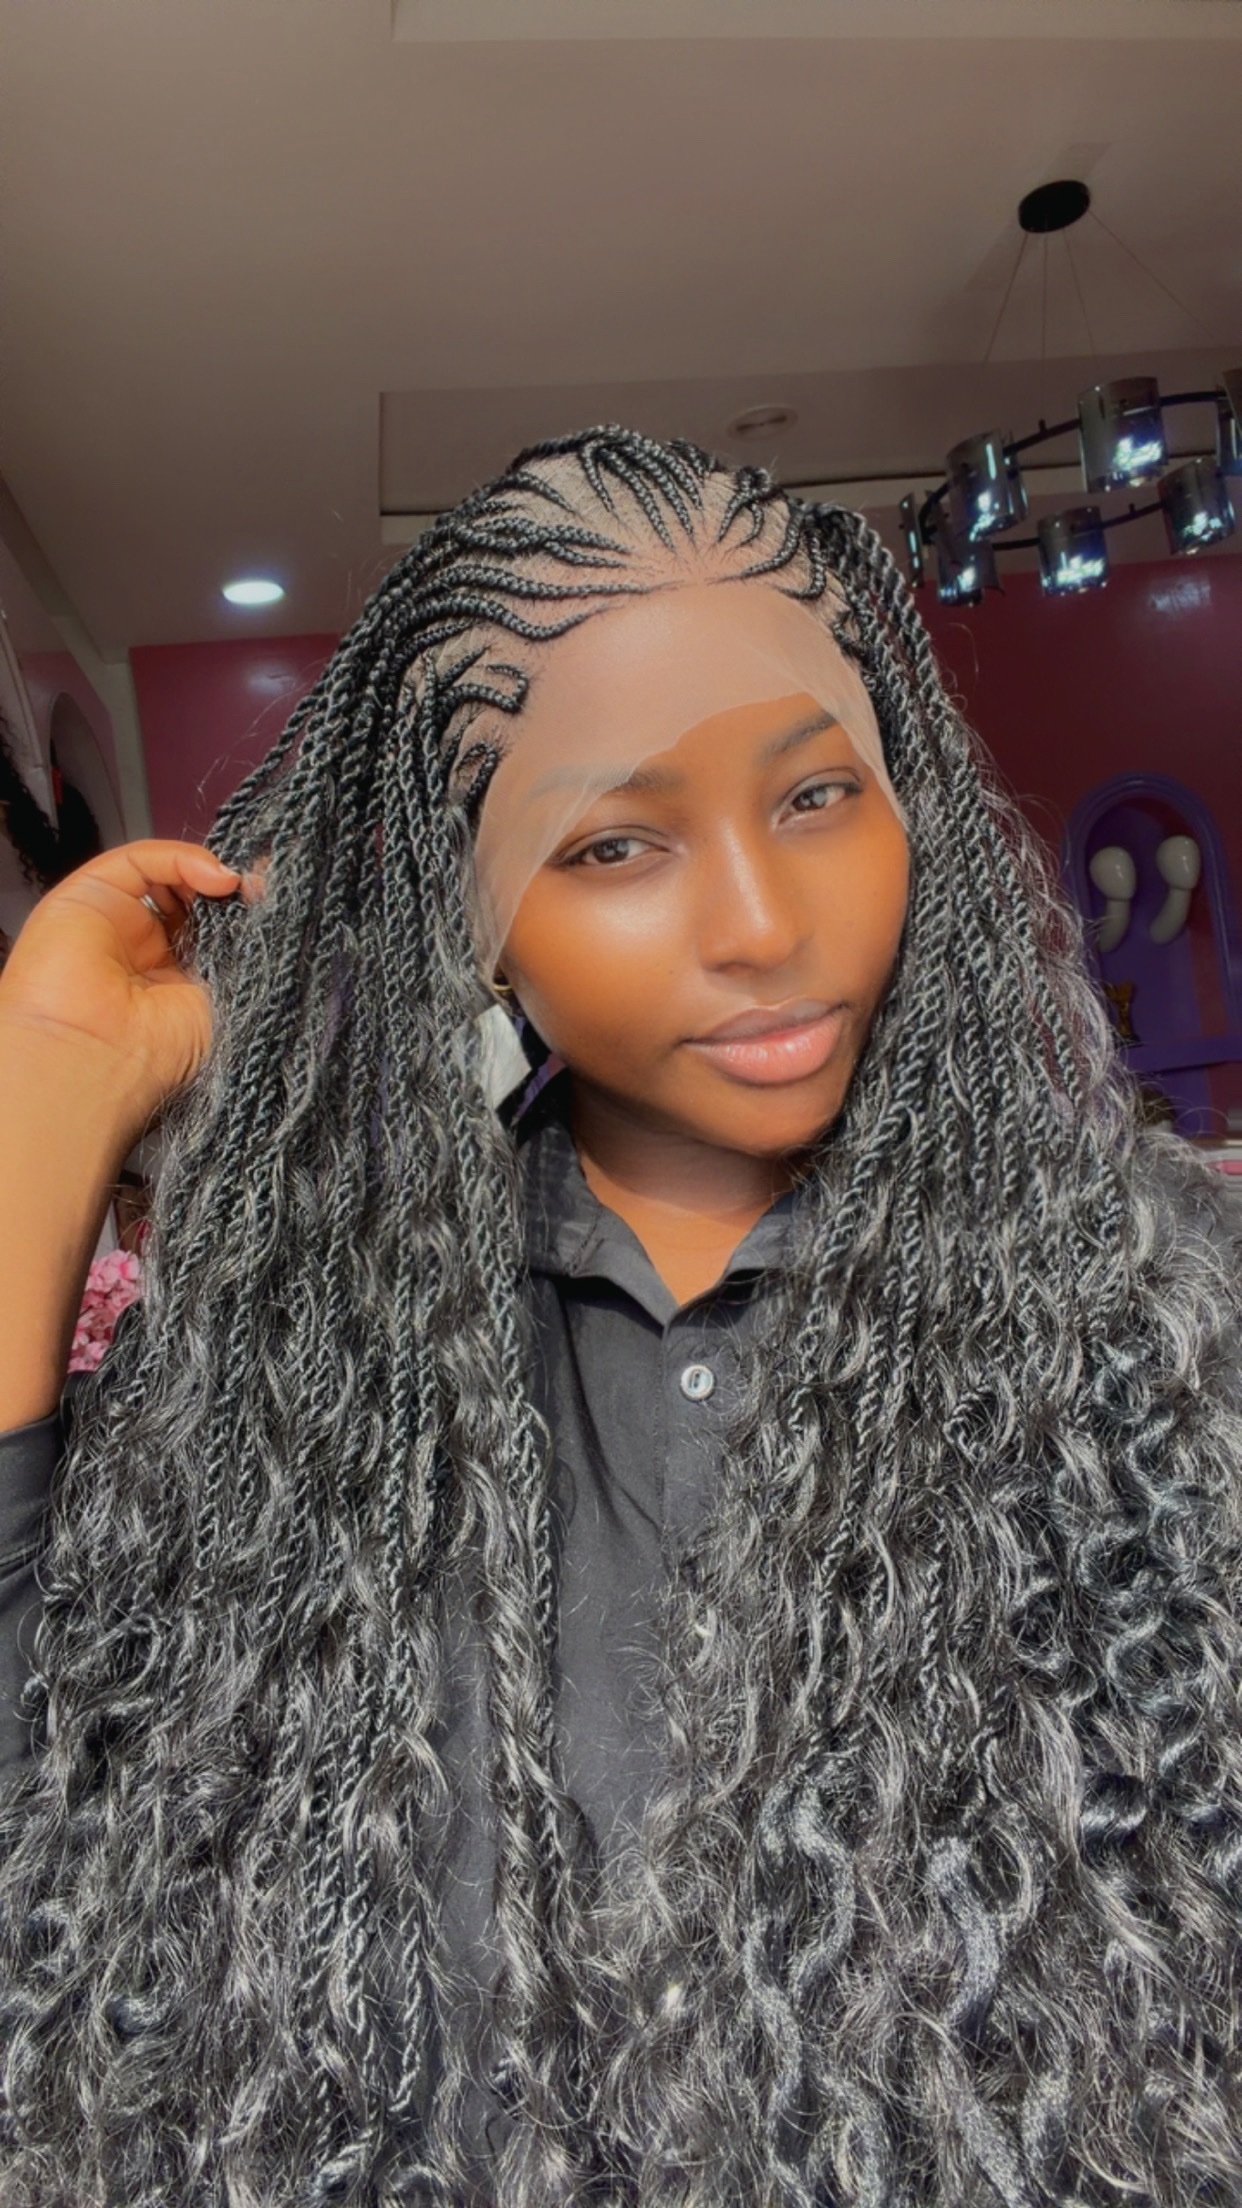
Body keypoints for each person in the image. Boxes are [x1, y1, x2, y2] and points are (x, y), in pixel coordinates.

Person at [0, 427, 1239, 2208]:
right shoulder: (304, 1390)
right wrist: (45, 1093)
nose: (762, 922)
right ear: (475, 920)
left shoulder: (1162, 1314)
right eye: (613, 843)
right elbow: (54, 1826)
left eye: (816, 798)